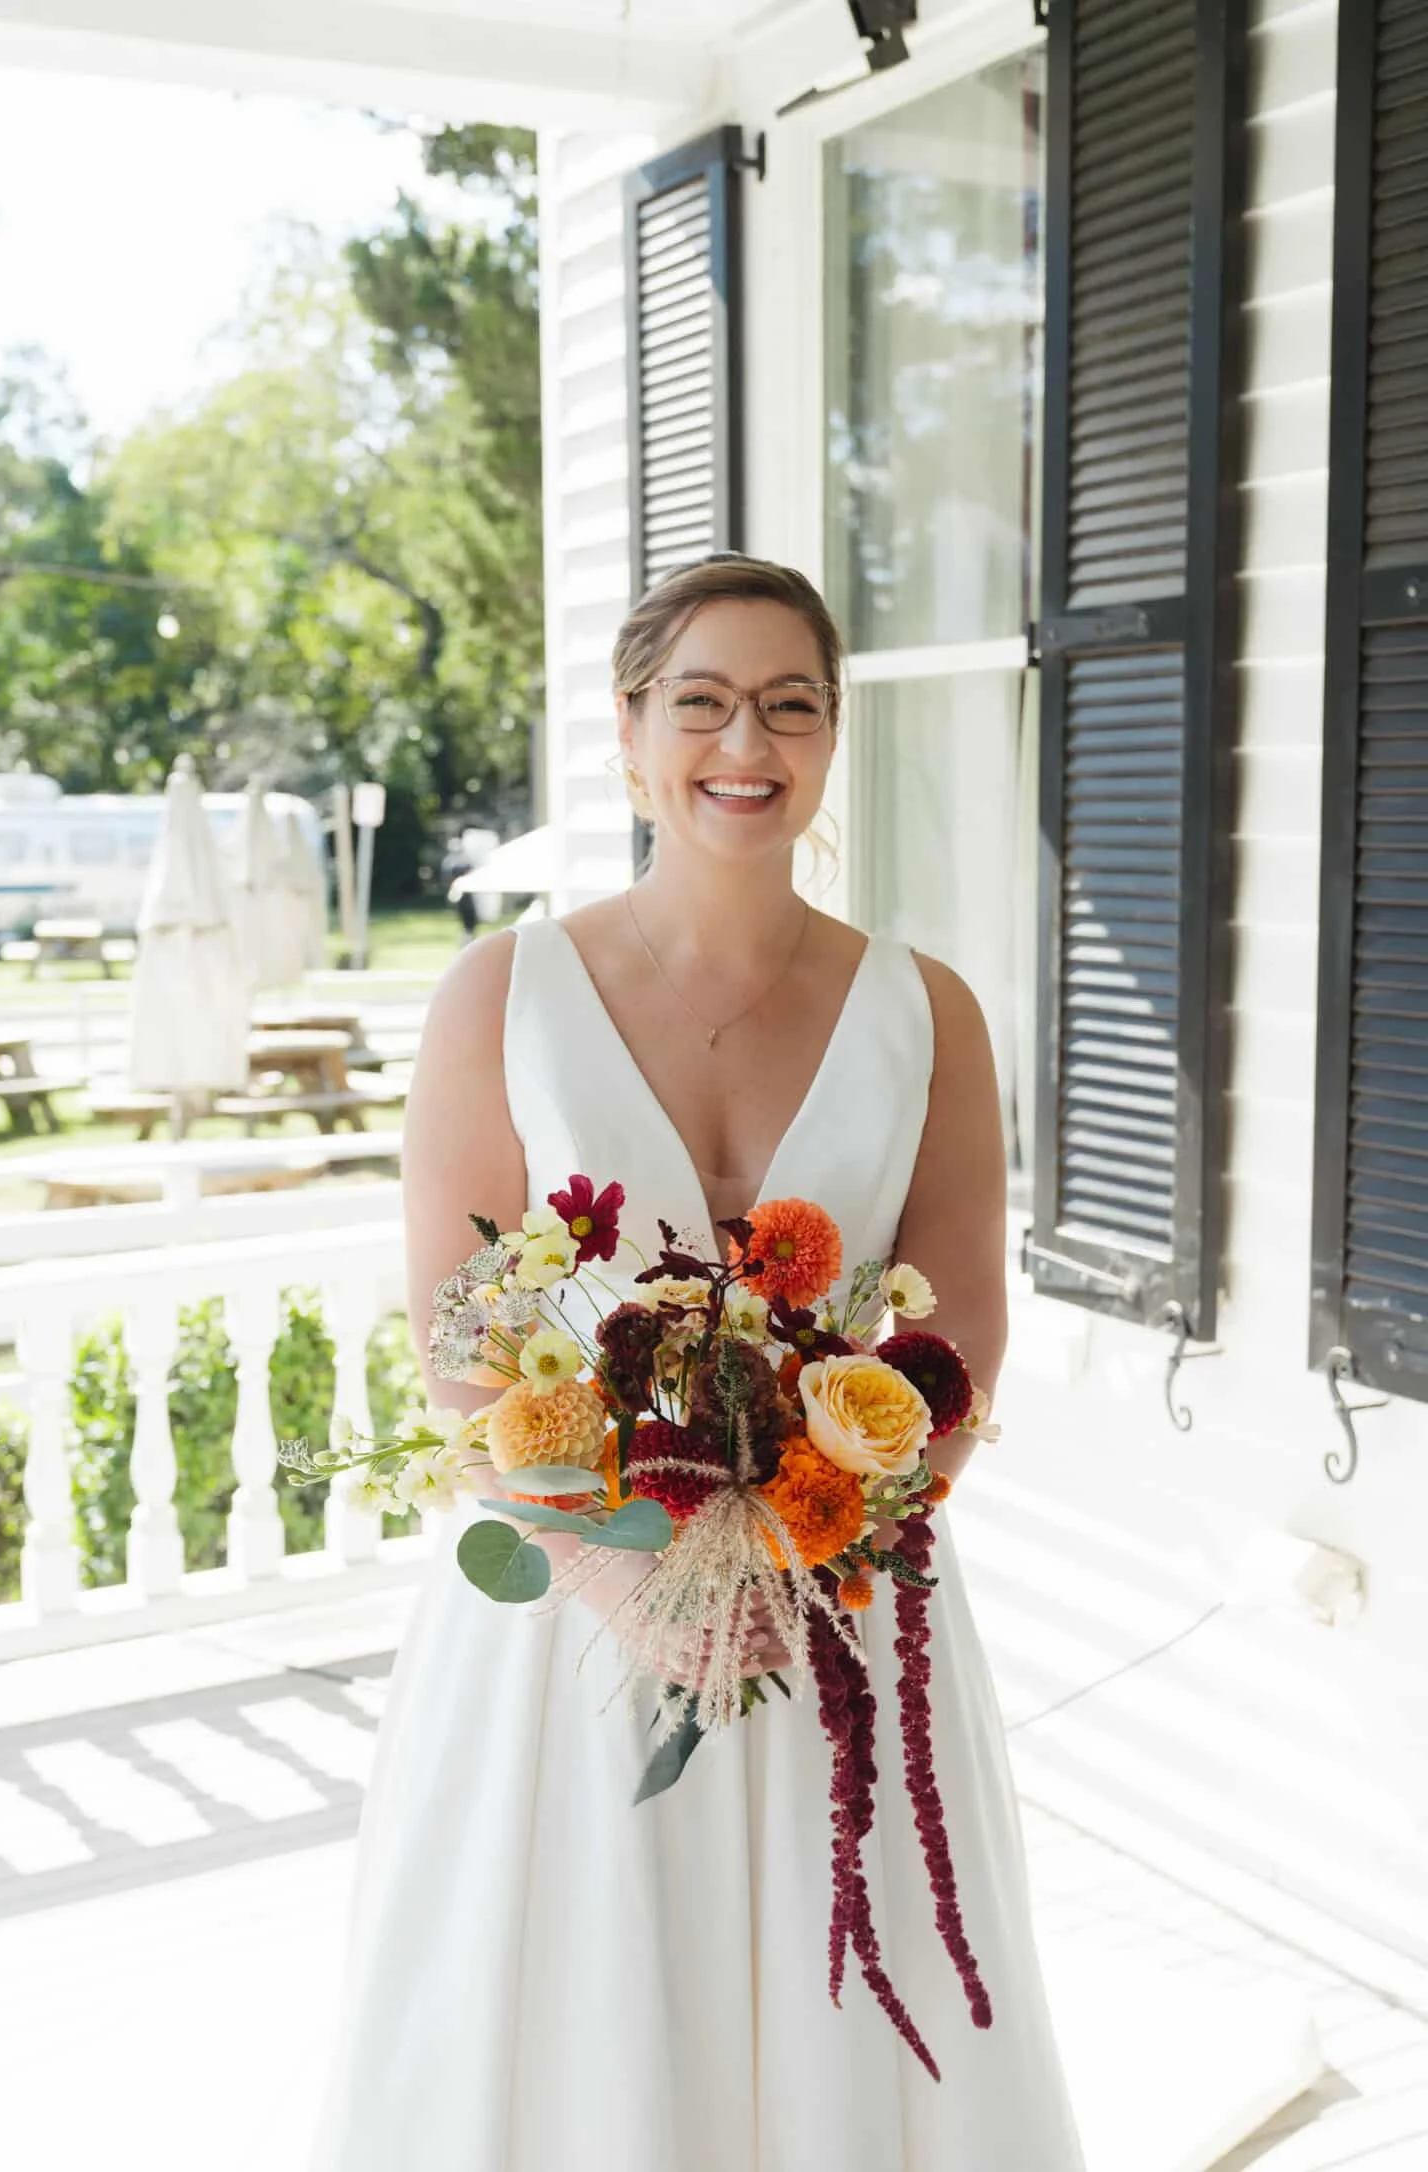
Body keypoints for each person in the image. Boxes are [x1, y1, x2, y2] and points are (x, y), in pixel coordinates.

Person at [308, 555, 1087, 2171]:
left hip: (847, 1605)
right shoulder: (500, 995)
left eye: (791, 704)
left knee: (846, 2007)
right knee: (583, 2011)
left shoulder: (925, 1010)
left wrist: (824, 1523)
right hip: (570, 1607)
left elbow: (962, 1336)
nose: (750, 740)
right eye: (704, 701)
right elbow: (462, 1336)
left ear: (829, 737)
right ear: (630, 733)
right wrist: (625, 1580)